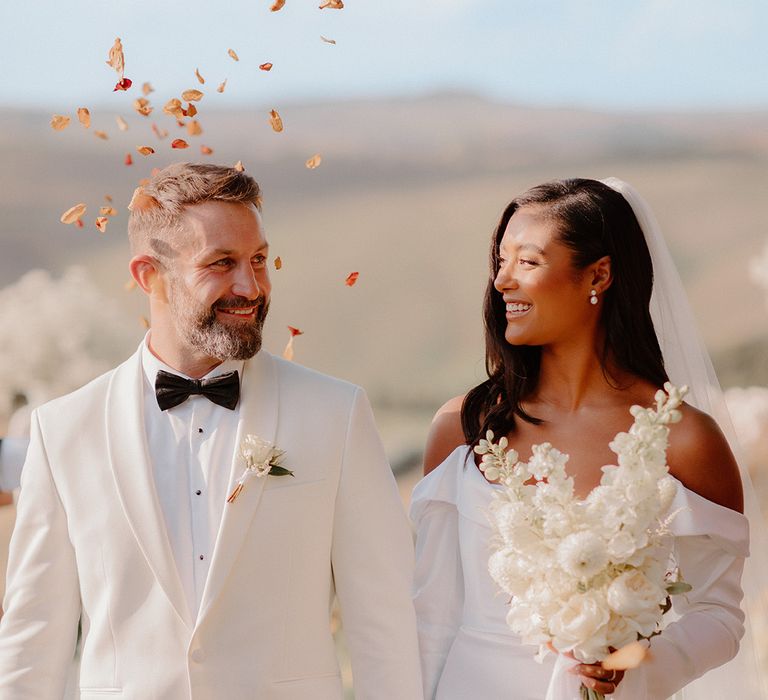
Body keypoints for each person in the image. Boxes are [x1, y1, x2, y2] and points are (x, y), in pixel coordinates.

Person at [0, 162, 424, 699]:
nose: (251, 285)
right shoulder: (63, 430)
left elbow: (385, 621)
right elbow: (34, 639)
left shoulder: (336, 413)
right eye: (221, 263)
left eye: (259, 260)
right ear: (148, 275)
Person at [411, 178, 767, 699]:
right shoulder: (463, 429)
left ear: (598, 274)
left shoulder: (684, 438)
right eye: (501, 261)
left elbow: (718, 614)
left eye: (528, 262)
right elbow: (430, 613)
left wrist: (638, 662)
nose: (503, 281)